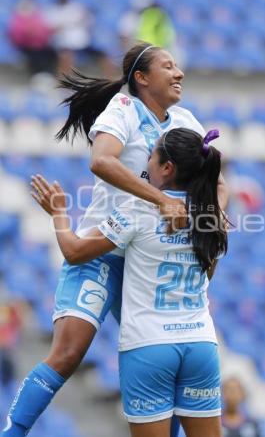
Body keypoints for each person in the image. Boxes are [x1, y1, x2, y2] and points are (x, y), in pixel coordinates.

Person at [0, 42, 228, 437]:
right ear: (141, 78)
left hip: (146, 255)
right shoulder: (122, 111)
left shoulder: (186, 119)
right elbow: (100, 161)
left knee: (165, 352)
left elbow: (216, 180)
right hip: (103, 248)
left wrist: (213, 217)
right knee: (68, 354)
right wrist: (161, 200)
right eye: (169, 67)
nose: (180, 73)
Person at [30, 127, 228, 437]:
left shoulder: (139, 207)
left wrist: (58, 213)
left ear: (167, 168)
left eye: (151, 156)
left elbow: (75, 251)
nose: (145, 164)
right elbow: (208, 273)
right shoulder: (212, 213)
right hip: (200, 343)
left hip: (148, 346)